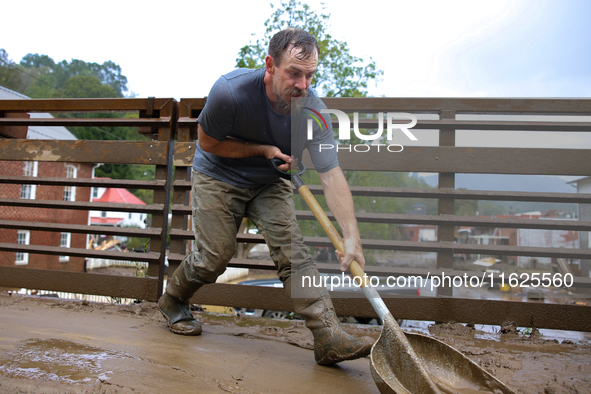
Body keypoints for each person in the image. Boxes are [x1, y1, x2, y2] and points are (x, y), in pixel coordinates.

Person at [158, 28, 374, 366]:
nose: (303, 84)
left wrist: (352, 237)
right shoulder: (230, 92)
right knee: (214, 258)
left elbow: (331, 174)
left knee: (295, 255)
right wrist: (264, 150)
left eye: (310, 75)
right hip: (218, 173)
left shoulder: (313, 111)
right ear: (270, 65)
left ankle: (328, 336)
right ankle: (173, 300)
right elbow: (208, 143)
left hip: (271, 180)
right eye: (294, 73)